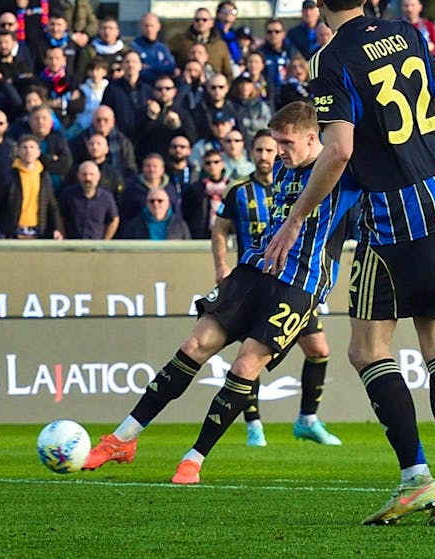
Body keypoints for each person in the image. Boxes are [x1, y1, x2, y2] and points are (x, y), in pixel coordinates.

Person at [262, 0, 435, 526]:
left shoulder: (329, 60)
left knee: (365, 350)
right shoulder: (409, 32)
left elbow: (337, 152)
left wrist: (293, 221)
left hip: (392, 214)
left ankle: (415, 478)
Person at [81, 102, 359, 488]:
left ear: (313, 138)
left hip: (300, 284)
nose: (278, 150)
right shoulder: (281, 169)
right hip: (252, 270)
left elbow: (348, 151)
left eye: (286, 142)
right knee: (195, 344)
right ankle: (121, 439)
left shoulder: (342, 171)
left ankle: (194, 459)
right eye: (275, 141)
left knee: (246, 366)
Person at [213, 129, 341, 447]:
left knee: (318, 349)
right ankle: (254, 424)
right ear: (251, 153)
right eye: (259, 150)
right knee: (250, 355)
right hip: (256, 282)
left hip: (295, 283)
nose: (266, 155)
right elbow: (220, 228)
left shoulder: (302, 183)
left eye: (272, 149)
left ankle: (307, 419)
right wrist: (221, 265)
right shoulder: (239, 190)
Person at [0, 134, 63, 239]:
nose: (28, 151)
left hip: (38, 231)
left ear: (38, 152)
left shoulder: (44, 176)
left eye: (32, 147)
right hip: (14, 232)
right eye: (25, 147)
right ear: (18, 152)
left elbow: (52, 206)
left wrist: (57, 229)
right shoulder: (9, 175)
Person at [58, 161, 119, 240]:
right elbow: (60, 217)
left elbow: (114, 220)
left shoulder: (106, 197)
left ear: (98, 176)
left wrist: (105, 241)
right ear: (78, 176)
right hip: (72, 246)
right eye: (84, 174)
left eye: (91, 174)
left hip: (96, 248)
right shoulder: (67, 195)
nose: (88, 178)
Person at [117, 186, 191, 240]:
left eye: (160, 201)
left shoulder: (180, 225)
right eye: (151, 201)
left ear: (168, 203)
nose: (155, 204)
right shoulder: (134, 225)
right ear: (147, 203)